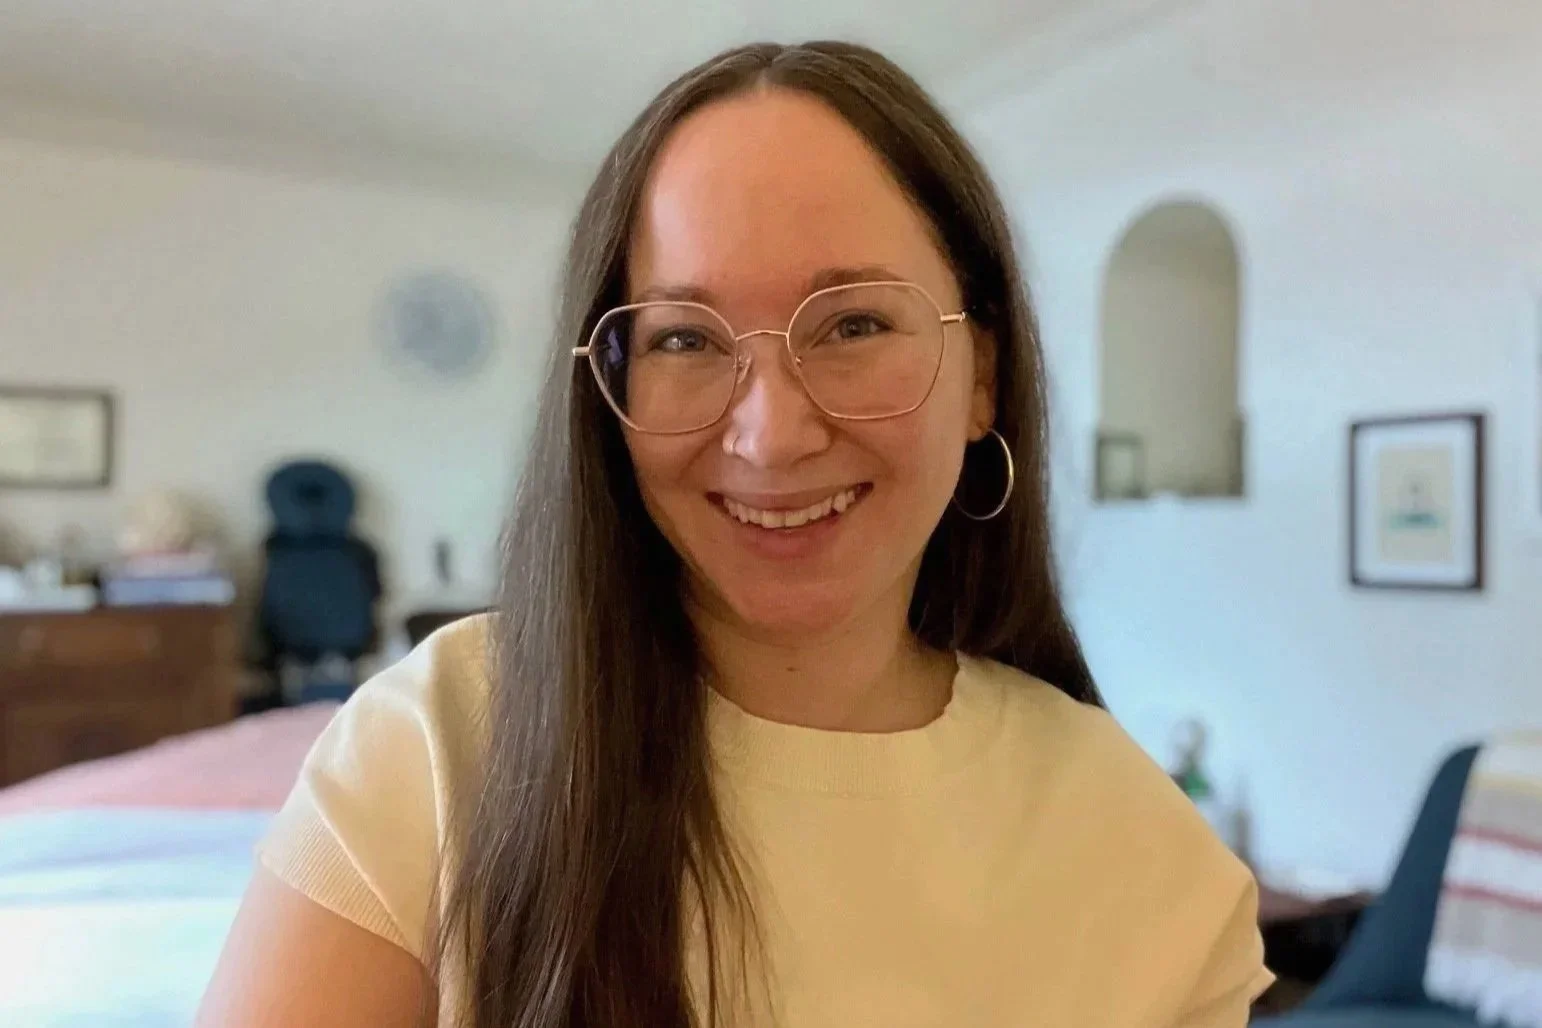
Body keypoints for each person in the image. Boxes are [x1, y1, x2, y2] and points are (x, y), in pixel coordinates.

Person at [199, 40, 1272, 1028]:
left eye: (854, 322)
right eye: (684, 337)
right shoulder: (437, 747)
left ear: (981, 375)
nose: (771, 434)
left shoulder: (1142, 851)